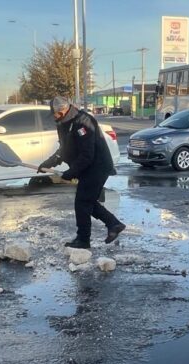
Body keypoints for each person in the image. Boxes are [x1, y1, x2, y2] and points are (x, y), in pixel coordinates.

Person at [38, 96, 125, 249]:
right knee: (87, 201)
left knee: (82, 203)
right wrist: (48, 163)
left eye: (55, 113)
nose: (53, 117)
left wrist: (70, 172)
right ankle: (114, 224)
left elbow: (87, 154)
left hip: (97, 166)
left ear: (63, 110)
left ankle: (83, 240)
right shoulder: (63, 123)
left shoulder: (83, 122)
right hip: (86, 167)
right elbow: (64, 149)